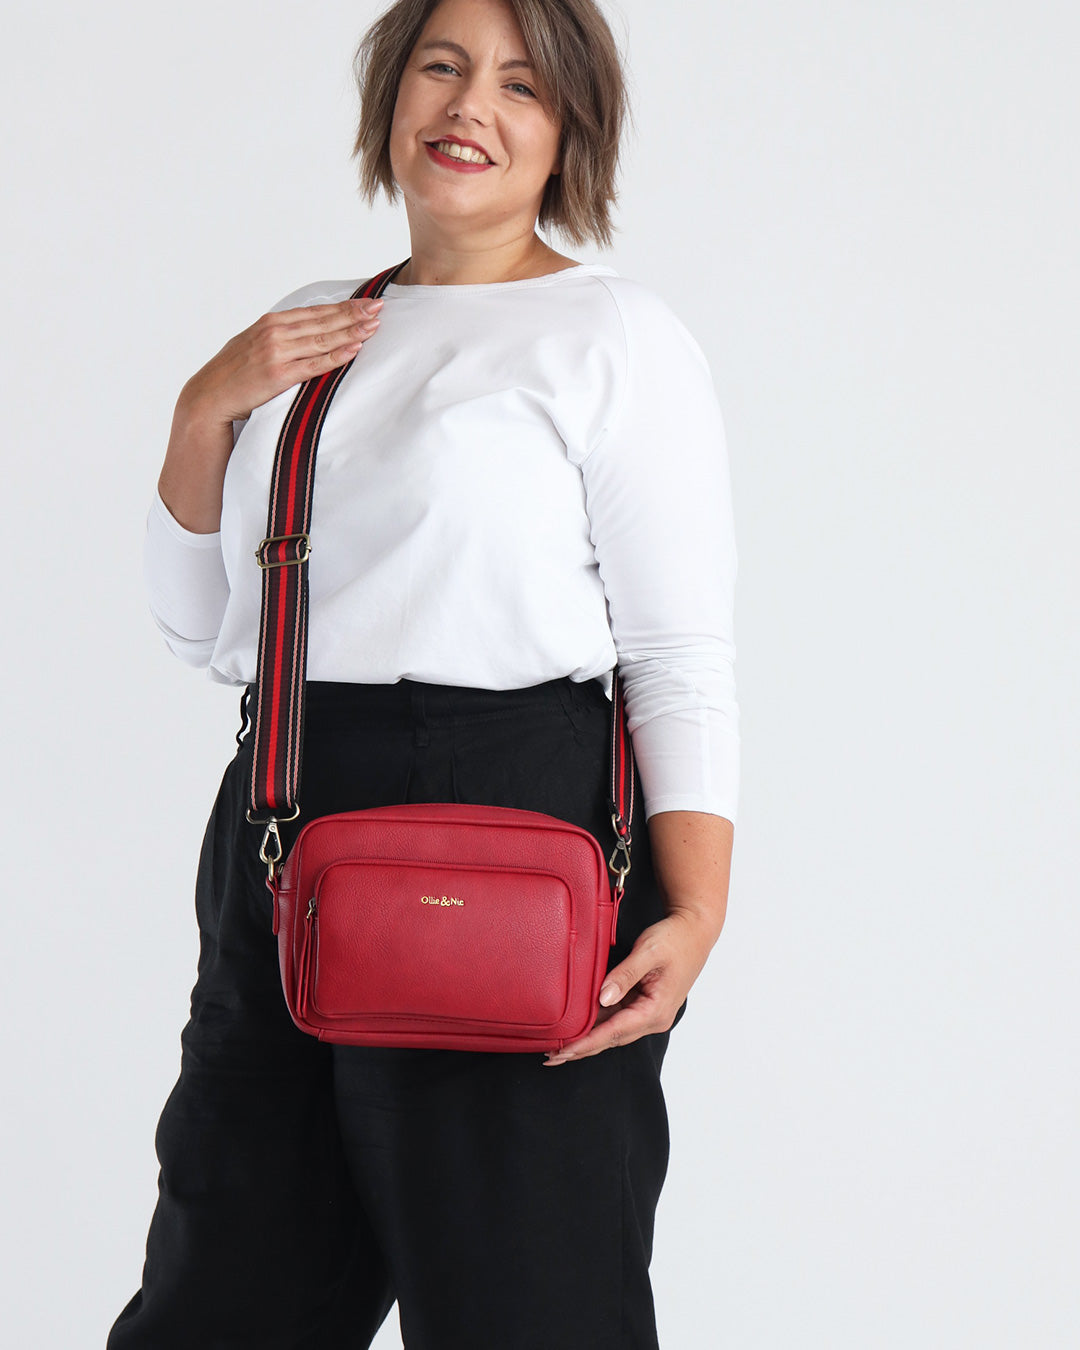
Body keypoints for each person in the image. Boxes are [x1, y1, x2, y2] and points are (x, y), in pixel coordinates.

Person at [107, 0, 739, 1345]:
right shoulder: (311, 327)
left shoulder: (612, 337)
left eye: (520, 86)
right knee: (222, 1295)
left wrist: (696, 909)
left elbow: (677, 653)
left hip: (512, 831)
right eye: (442, 69)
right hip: (285, 827)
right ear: (392, 95)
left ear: (569, 132)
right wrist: (205, 407)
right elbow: (208, 634)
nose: (469, 109)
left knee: (528, 1305)